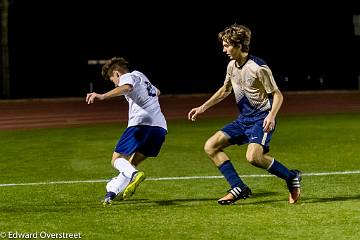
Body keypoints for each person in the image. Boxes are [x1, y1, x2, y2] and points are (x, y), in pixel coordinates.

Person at [187, 24, 301, 205]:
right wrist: (203, 107)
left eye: (227, 45)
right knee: (211, 146)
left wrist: (271, 116)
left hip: (261, 118)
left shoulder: (259, 67)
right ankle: (238, 187)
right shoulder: (231, 65)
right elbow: (225, 90)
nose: (223, 49)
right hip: (243, 120)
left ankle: (291, 176)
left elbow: (277, 95)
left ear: (239, 45)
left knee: (253, 157)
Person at [86, 57, 167, 205]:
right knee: (129, 164)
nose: (116, 84)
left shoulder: (127, 77)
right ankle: (112, 192)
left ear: (116, 74)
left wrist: (103, 96)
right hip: (160, 128)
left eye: (113, 81)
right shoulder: (141, 75)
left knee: (116, 160)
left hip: (141, 124)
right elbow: (158, 92)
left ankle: (135, 175)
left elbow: (127, 87)